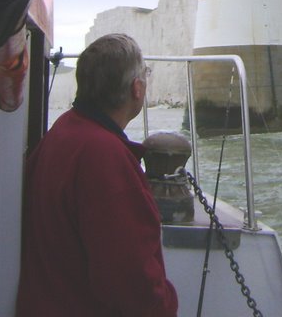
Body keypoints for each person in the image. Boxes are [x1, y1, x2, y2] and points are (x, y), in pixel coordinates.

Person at [15, 34, 178, 317]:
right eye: (146, 75)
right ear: (137, 89)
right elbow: (130, 280)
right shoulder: (103, 156)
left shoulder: (63, 131)